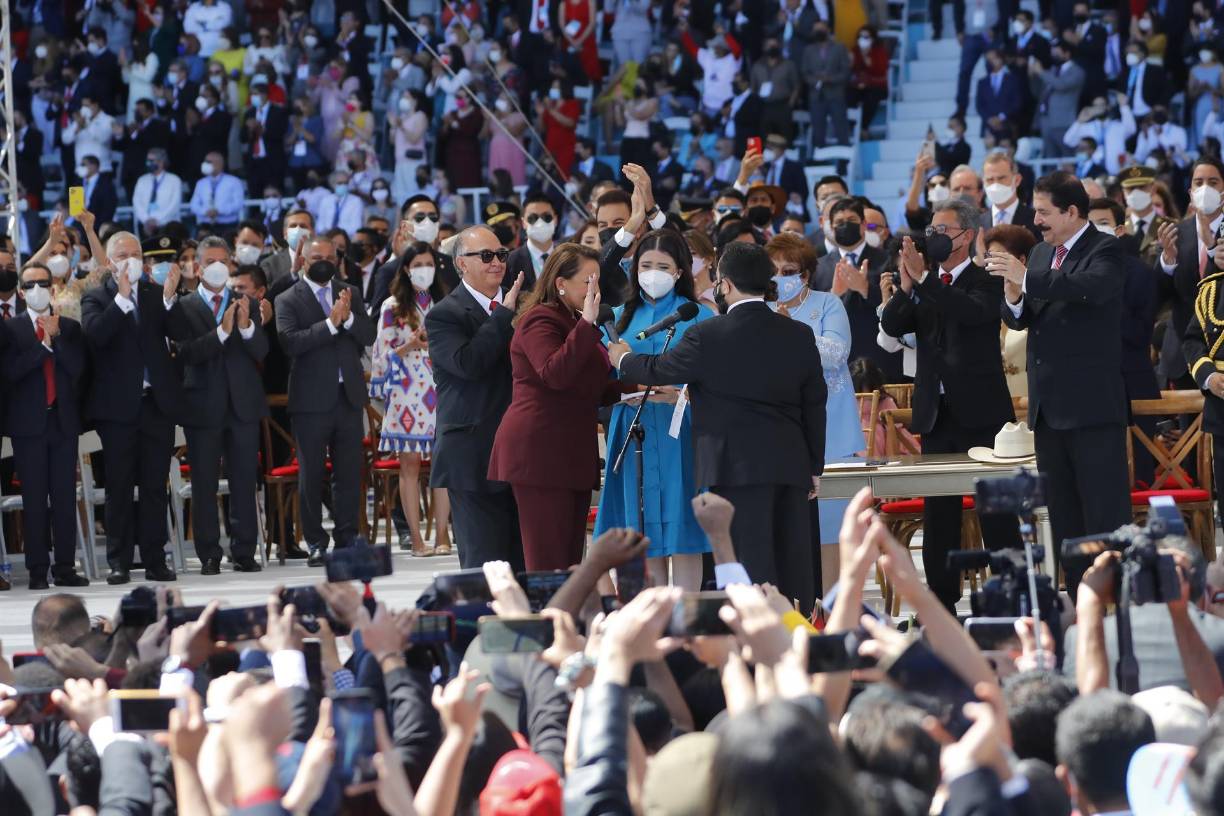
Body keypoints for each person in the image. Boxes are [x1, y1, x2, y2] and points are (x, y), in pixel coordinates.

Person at [609, 242, 827, 612]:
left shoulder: (709, 334)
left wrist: (624, 358)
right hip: (790, 464)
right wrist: (814, 467)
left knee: (749, 562)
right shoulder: (799, 334)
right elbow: (814, 404)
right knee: (793, 559)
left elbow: (659, 369)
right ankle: (797, 630)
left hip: (734, 467)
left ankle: (754, 641)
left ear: (724, 285)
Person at [990, 171, 1131, 591]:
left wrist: (1025, 277)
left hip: (1091, 408)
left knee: (1103, 514)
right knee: (1064, 516)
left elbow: (1088, 288)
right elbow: (1022, 317)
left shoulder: (1105, 248)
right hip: (1048, 411)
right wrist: (1014, 292)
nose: (1038, 220)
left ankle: (1115, 600)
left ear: (1072, 211)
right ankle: (1076, 598)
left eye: (1045, 212)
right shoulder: (1037, 256)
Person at [882, 198, 1020, 612]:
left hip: (983, 415)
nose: (935, 238)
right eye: (932, 232)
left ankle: (1011, 597)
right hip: (936, 414)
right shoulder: (924, 282)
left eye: (944, 231)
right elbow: (892, 326)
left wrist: (924, 281)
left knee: (996, 513)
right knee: (939, 516)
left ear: (968, 235)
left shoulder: (986, 278)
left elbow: (972, 314)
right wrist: (908, 288)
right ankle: (941, 604)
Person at [596, 230, 713, 590]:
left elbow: (713, 376)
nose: (653, 272)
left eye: (663, 266)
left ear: (680, 271)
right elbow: (601, 377)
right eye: (646, 265)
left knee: (684, 524)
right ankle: (652, 609)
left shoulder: (699, 316)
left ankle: (688, 613)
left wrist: (681, 395)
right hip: (633, 427)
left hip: (681, 428)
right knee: (641, 523)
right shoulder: (616, 317)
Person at [489, 243, 617, 571]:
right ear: (561, 283)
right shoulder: (540, 319)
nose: (595, 290)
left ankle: (566, 619)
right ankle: (550, 620)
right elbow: (555, 373)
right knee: (548, 559)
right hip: (540, 452)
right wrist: (587, 325)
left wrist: (640, 387)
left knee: (570, 557)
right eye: (588, 282)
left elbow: (590, 385)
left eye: (598, 281)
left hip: (569, 451)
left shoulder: (575, 321)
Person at [80, 232, 184, 584]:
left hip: (157, 405)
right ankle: (119, 561)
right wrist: (122, 300)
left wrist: (171, 299)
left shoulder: (156, 294)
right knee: (119, 488)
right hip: (118, 410)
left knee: (156, 486)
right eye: (123, 254)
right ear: (110, 262)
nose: (131, 259)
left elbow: (180, 332)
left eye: (136, 253)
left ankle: (156, 559)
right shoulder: (96, 297)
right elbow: (96, 336)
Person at [426, 225, 526, 571]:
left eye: (500, 255)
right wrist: (502, 316)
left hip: (520, 453)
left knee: (525, 560)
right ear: (461, 264)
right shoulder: (444, 314)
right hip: (473, 456)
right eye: (486, 256)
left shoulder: (519, 306)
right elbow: (469, 364)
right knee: (487, 565)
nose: (496, 263)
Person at [767, 233, 863, 590]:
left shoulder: (827, 305)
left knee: (831, 532)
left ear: (805, 274)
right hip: (781, 434)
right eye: (773, 271)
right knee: (787, 533)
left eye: (788, 270)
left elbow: (837, 353)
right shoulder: (760, 310)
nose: (780, 277)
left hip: (833, 433)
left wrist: (788, 328)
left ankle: (834, 612)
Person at [168, 237, 267, 575]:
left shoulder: (246, 303)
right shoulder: (184, 306)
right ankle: (209, 553)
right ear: (197, 267)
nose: (218, 266)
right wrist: (222, 334)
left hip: (242, 405)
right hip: (202, 405)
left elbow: (262, 352)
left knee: (243, 480)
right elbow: (184, 353)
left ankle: (244, 550)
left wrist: (247, 328)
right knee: (205, 482)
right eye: (210, 260)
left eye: (223, 260)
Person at [274, 236, 375, 566]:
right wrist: (331, 324)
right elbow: (290, 342)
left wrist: (347, 320)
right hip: (310, 401)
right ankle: (315, 540)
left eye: (330, 257)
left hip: (348, 398)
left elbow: (368, 334)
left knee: (348, 473)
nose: (323, 261)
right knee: (311, 474)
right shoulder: (288, 298)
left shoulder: (351, 292)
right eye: (317, 256)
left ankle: (347, 537)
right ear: (302, 258)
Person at [2, 262, 89, 589]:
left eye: (44, 283)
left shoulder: (69, 326)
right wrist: (43, 346)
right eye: (31, 284)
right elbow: (12, 372)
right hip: (29, 426)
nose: (38, 289)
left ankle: (65, 567)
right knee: (35, 499)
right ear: (22, 291)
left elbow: (77, 369)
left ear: (53, 289)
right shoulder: (10, 330)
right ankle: (38, 570)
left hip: (63, 422)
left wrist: (56, 339)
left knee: (65, 497)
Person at [369, 241, 453, 557]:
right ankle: (417, 539)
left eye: (428, 264)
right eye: (417, 264)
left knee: (443, 464)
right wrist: (411, 345)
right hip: (406, 391)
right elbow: (381, 355)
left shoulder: (444, 303)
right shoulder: (392, 307)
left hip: (440, 387)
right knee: (410, 466)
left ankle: (443, 533)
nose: (424, 270)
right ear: (406, 269)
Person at [810, 197, 899, 381]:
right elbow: (812, 314)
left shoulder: (886, 260)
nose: (845, 226)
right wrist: (834, 295)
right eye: (839, 223)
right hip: (837, 363)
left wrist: (865, 288)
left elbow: (898, 306)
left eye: (851, 221)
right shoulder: (818, 267)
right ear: (831, 228)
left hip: (881, 358)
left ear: (864, 224)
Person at [1157, 157, 1224, 390]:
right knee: (1185, 426)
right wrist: (1168, 260)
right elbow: (1159, 297)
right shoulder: (1174, 233)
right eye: (1199, 182)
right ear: (1190, 191)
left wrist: (1213, 248)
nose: (1205, 188)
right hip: (1182, 354)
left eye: (1213, 182)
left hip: (1221, 355)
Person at [801, 18, 851, 149]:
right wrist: (816, 80)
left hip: (836, 95)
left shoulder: (839, 48)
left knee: (841, 130)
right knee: (818, 131)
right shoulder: (808, 50)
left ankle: (843, 165)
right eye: (816, 30)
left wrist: (830, 79)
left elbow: (845, 72)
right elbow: (805, 73)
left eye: (821, 29)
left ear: (828, 30)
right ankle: (819, 162)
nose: (818, 32)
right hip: (816, 97)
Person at [503, 194, 559, 291]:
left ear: (555, 220)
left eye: (546, 217)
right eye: (533, 218)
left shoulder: (568, 257)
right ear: (523, 223)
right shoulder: (510, 262)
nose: (540, 223)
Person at [131, 148, 183, 238]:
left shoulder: (174, 180)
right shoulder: (142, 180)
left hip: (167, 226)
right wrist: (146, 220)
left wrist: (158, 221)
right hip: (146, 227)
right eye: (147, 160)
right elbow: (136, 202)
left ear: (161, 162)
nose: (148, 163)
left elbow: (174, 205)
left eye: (151, 160)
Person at [189, 151, 243, 232]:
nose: (205, 164)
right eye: (205, 161)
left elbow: (238, 204)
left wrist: (219, 211)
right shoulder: (201, 183)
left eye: (209, 162)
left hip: (228, 226)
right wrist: (205, 212)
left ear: (219, 164)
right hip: (205, 225)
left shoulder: (234, 181)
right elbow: (193, 204)